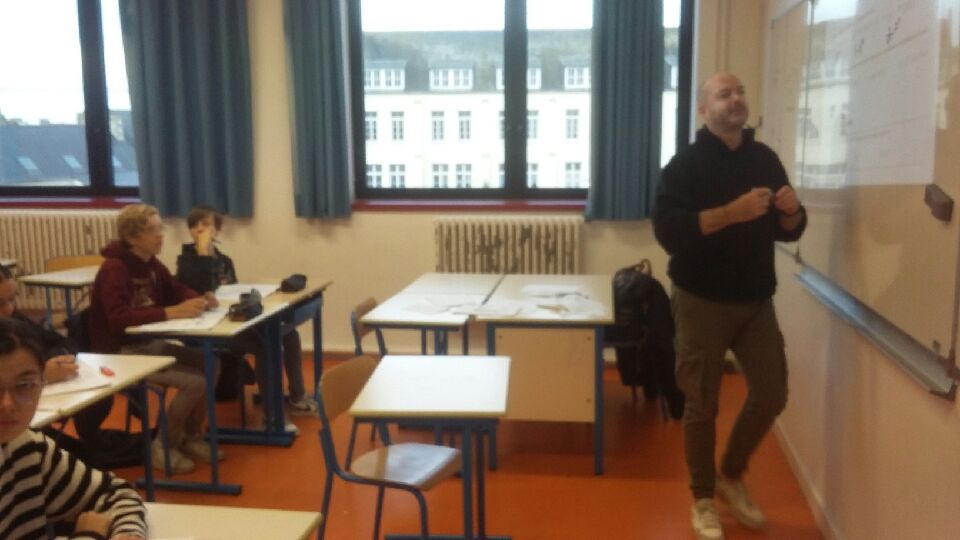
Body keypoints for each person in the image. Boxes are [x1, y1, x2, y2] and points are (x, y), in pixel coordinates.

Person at [652, 72, 806, 540]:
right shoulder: (685, 166)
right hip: (700, 300)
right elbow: (669, 233)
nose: (735, 99)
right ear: (704, 111)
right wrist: (729, 214)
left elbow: (789, 230)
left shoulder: (765, 159)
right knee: (701, 403)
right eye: (724, 94)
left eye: (739, 91)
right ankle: (703, 498)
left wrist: (792, 212)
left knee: (772, 393)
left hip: (756, 300)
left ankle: (731, 475)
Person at [88, 203, 223, 474]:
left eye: (160, 228)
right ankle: (162, 445)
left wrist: (198, 298)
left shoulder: (150, 264)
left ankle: (189, 436)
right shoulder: (115, 268)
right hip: (119, 352)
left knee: (212, 363)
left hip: (147, 343)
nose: (160, 235)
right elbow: (118, 320)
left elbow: (175, 289)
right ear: (132, 236)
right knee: (195, 382)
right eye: (153, 230)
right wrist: (169, 312)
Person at [0, 317, 146, 540]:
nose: (8, 404)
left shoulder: (27, 447)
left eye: (25, 385)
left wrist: (127, 533)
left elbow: (115, 493)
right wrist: (89, 534)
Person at [175, 205, 317, 416]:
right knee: (265, 345)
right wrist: (203, 252)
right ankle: (272, 414)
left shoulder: (224, 261)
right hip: (207, 328)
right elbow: (203, 288)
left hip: (230, 320)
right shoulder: (186, 261)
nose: (200, 229)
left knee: (288, 333)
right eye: (194, 225)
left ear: (217, 229)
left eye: (205, 224)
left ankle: (298, 395)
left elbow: (231, 292)